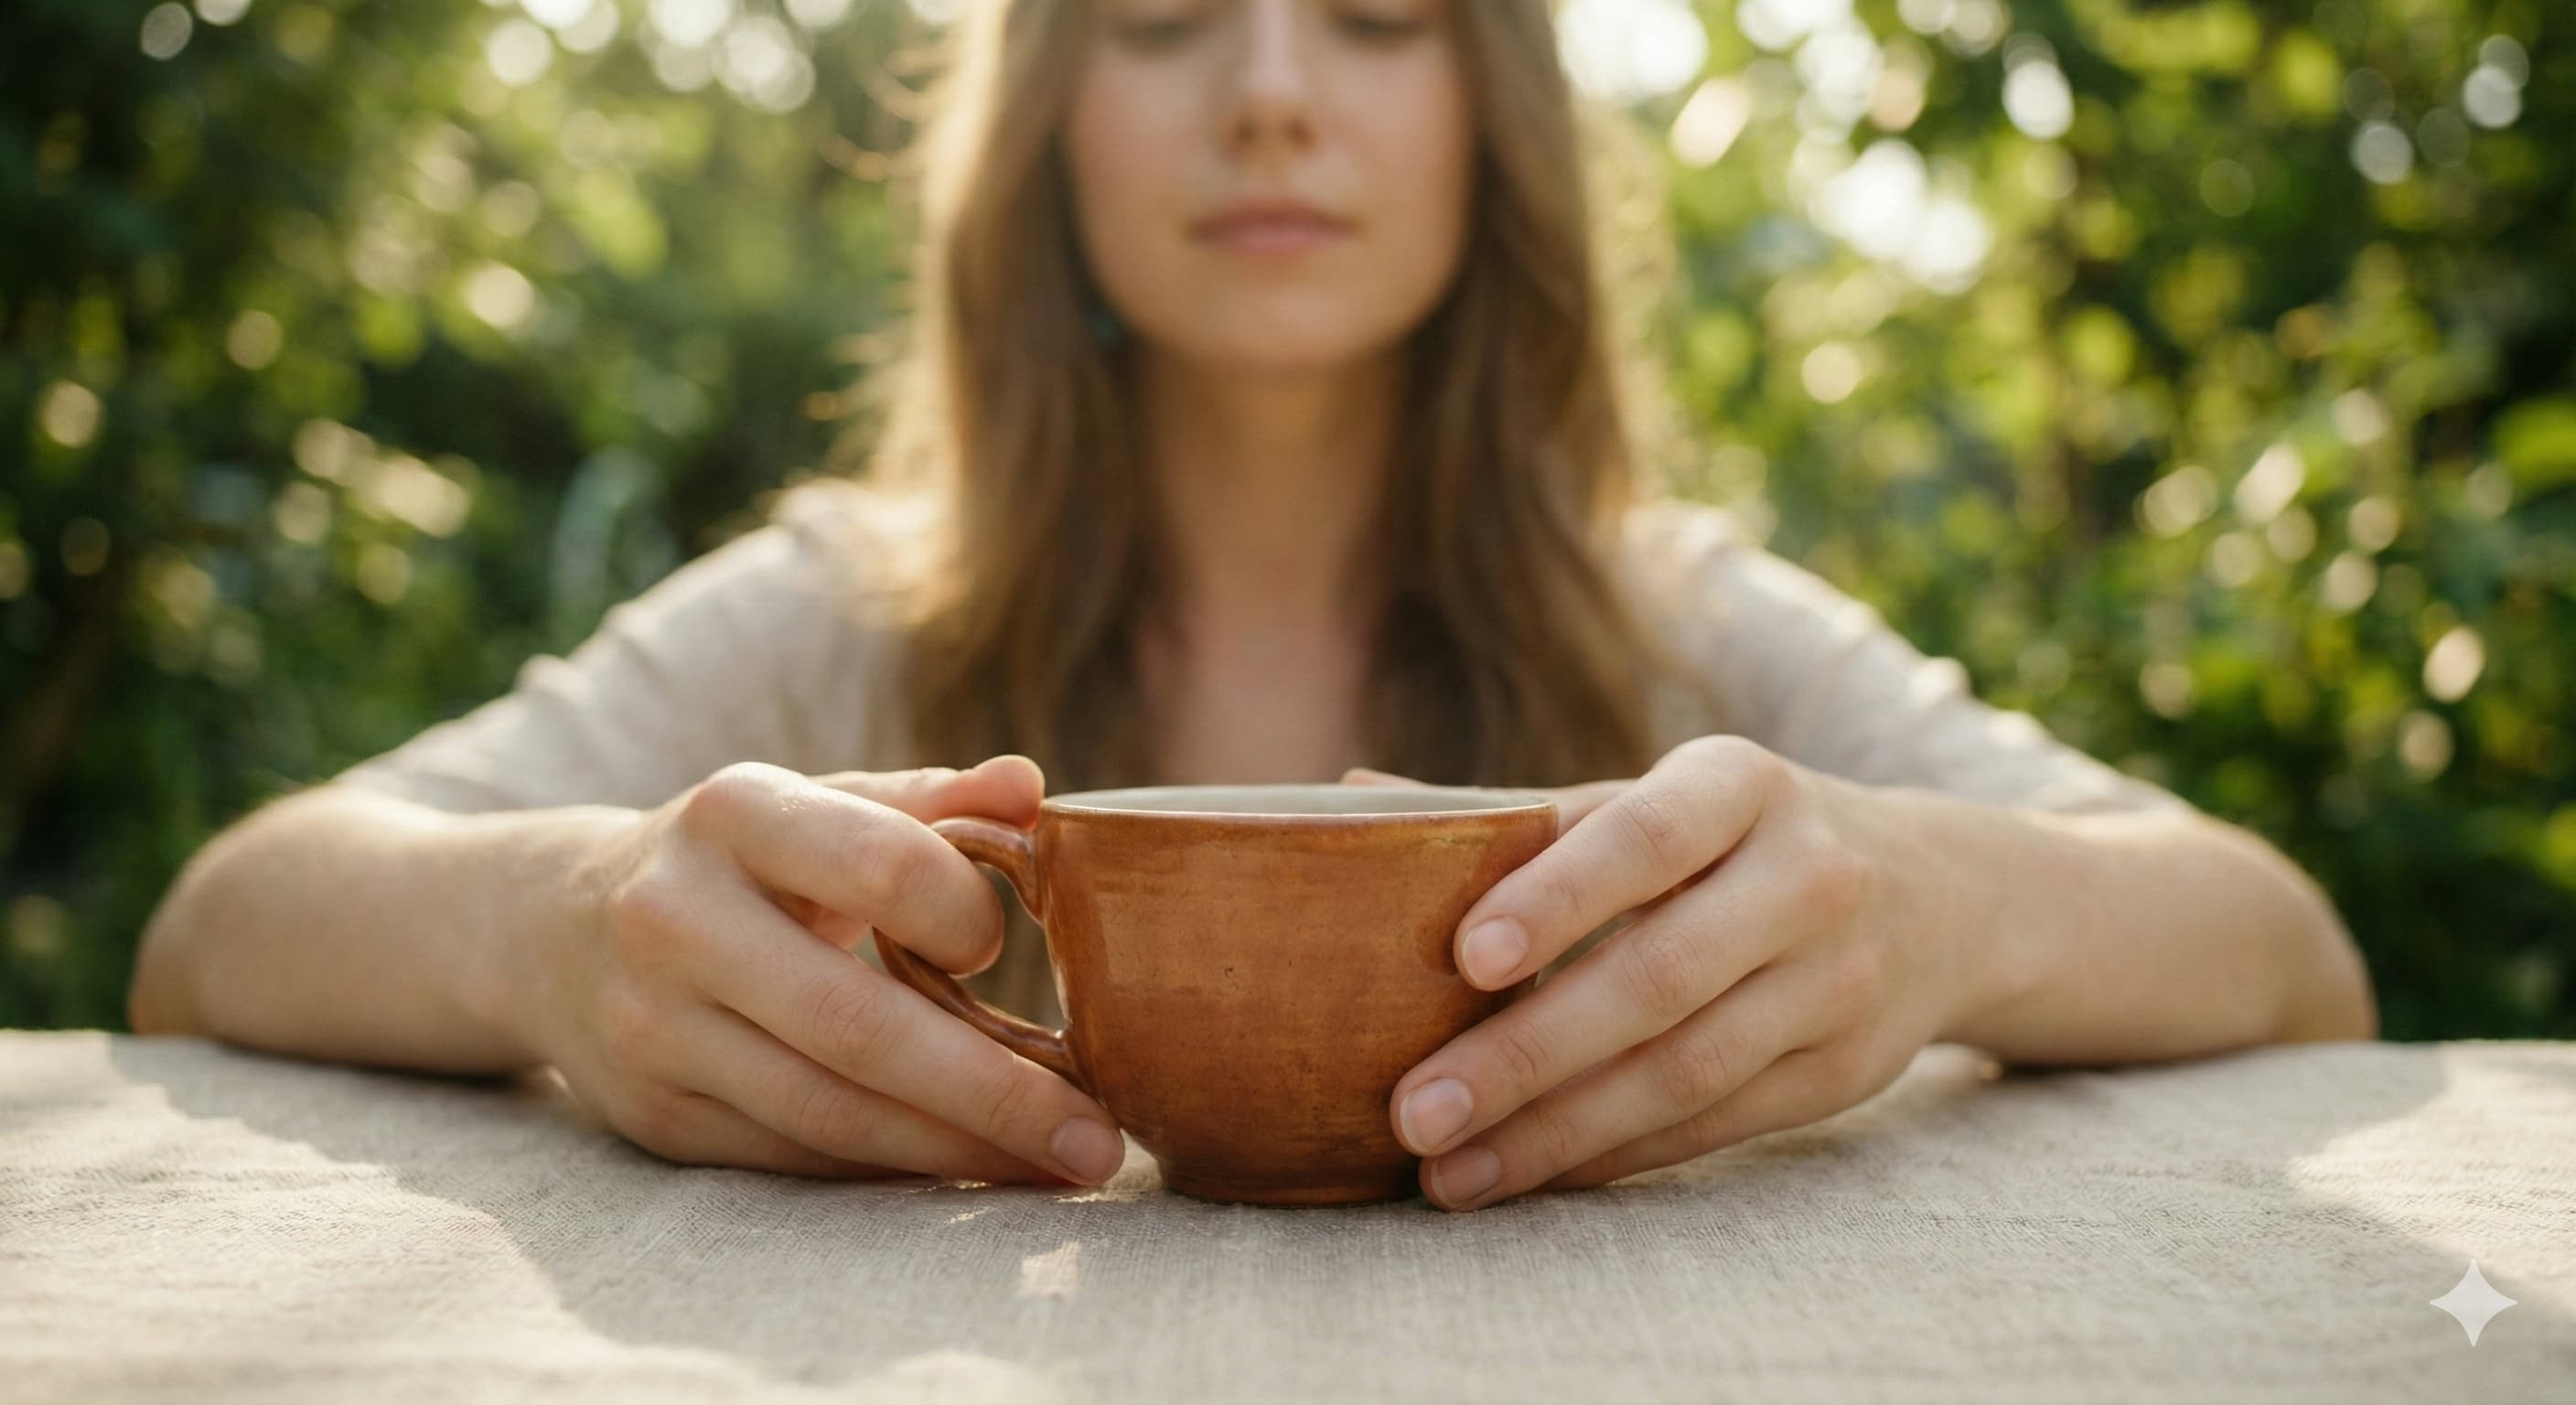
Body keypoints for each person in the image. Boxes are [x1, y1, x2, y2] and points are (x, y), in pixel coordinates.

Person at [126, 0, 2377, 1213]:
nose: (1277, 91)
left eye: (1381, 18)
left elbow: (2288, 952)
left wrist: (1947, 907)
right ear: (1045, 124)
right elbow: (224, 922)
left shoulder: (1692, 637)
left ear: (1492, 120)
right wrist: (560, 922)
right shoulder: (828, 622)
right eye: (1170, 13)